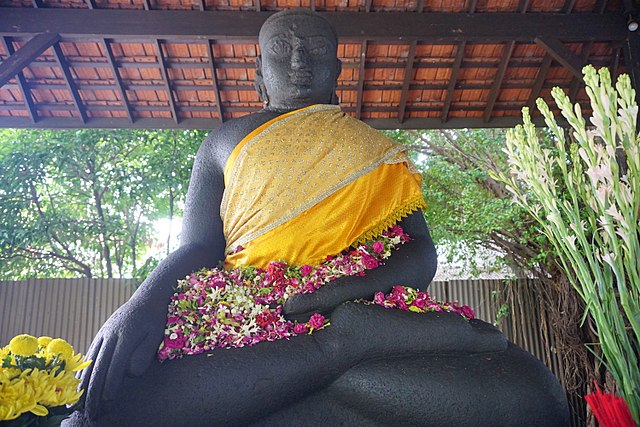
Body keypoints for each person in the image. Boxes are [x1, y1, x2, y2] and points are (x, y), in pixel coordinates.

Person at [68, 9, 569, 426]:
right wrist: (140, 304)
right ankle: (345, 345)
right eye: (282, 50)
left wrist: (337, 294)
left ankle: (337, 348)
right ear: (259, 70)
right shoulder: (224, 141)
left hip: (361, 295)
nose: (299, 60)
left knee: (533, 397)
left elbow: (420, 251)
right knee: (107, 406)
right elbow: (198, 248)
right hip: (250, 305)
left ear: (338, 68)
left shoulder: (378, 151)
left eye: (314, 49)